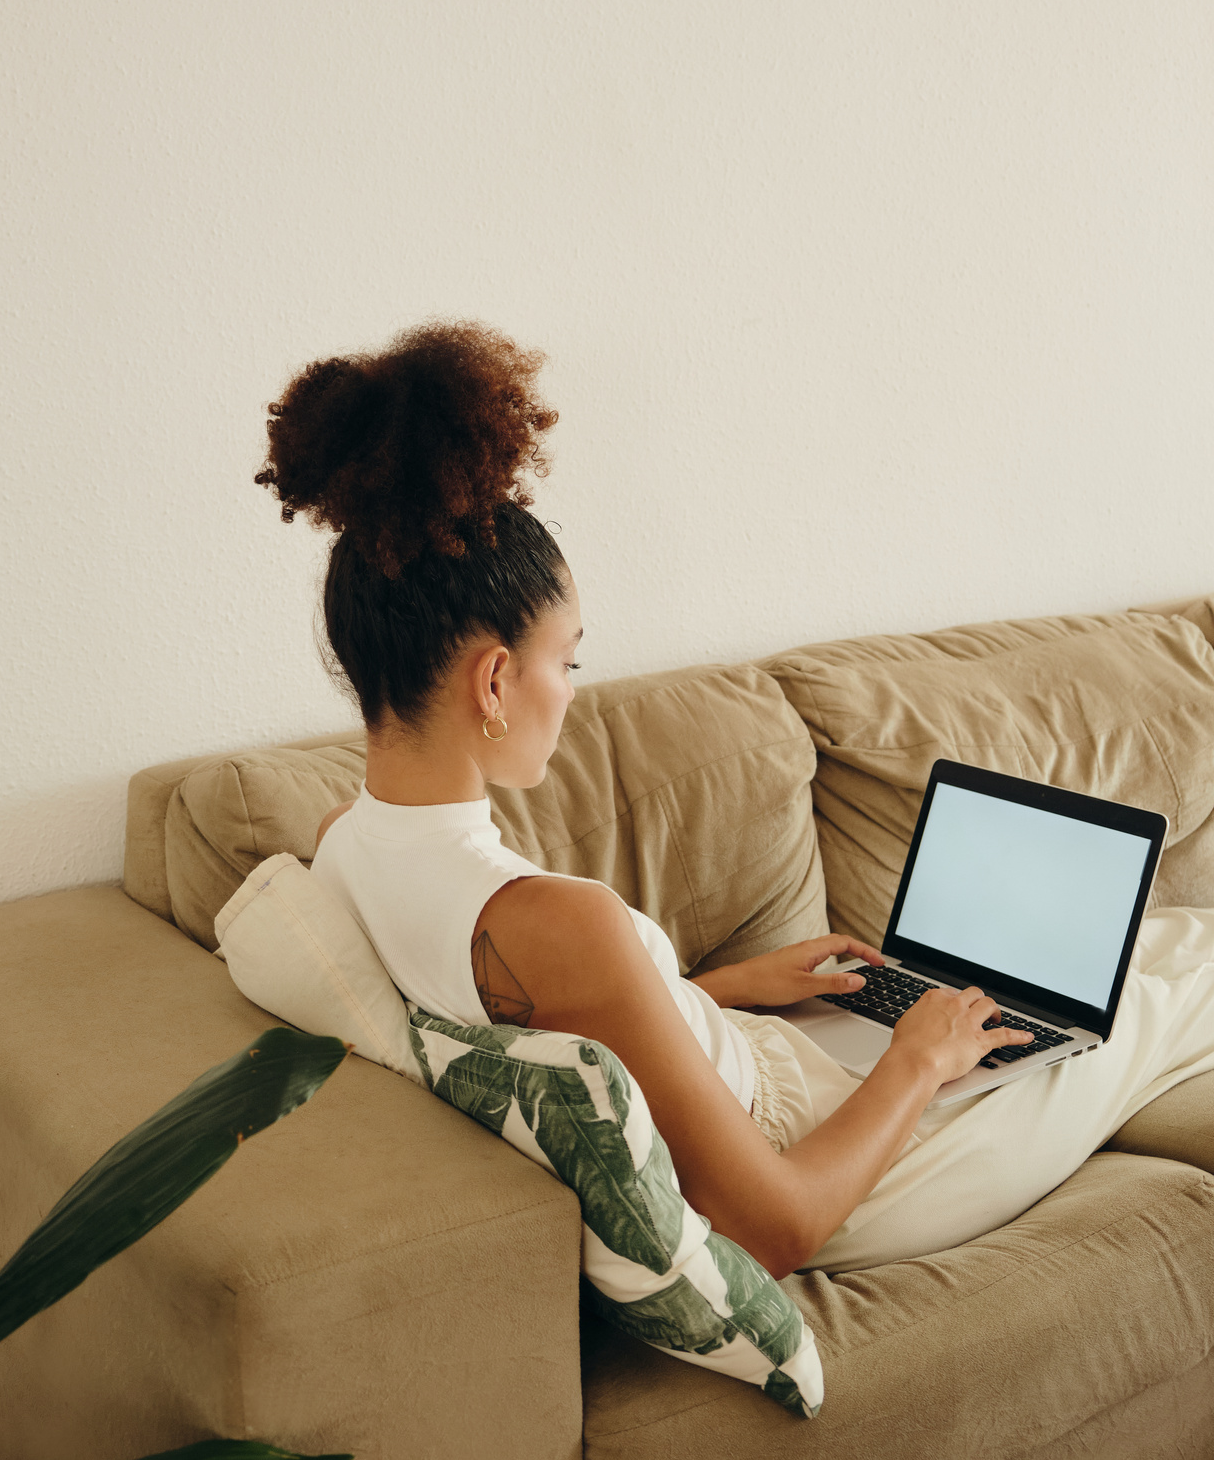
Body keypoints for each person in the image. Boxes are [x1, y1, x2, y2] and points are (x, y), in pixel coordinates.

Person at [256, 320, 1214, 1276]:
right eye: (569, 659)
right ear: (494, 683)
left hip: (771, 1065)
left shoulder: (346, 845)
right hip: (843, 1167)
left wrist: (713, 990)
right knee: (1159, 999)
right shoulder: (553, 919)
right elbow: (779, 1226)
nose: (575, 689)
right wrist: (916, 1060)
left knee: (1162, 940)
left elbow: (562, 1026)